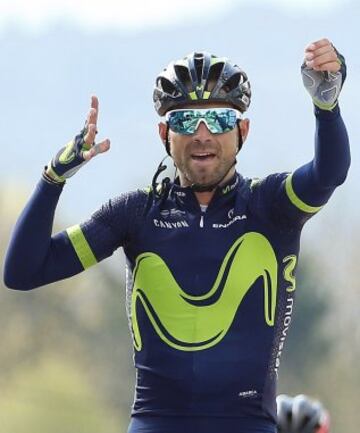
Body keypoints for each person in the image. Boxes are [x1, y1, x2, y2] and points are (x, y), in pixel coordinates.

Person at [4, 38, 350, 433]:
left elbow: (329, 173)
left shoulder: (271, 205)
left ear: (243, 131)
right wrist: (52, 179)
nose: (202, 134)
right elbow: (23, 271)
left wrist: (326, 106)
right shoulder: (134, 213)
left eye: (219, 120)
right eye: (185, 121)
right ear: (163, 134)